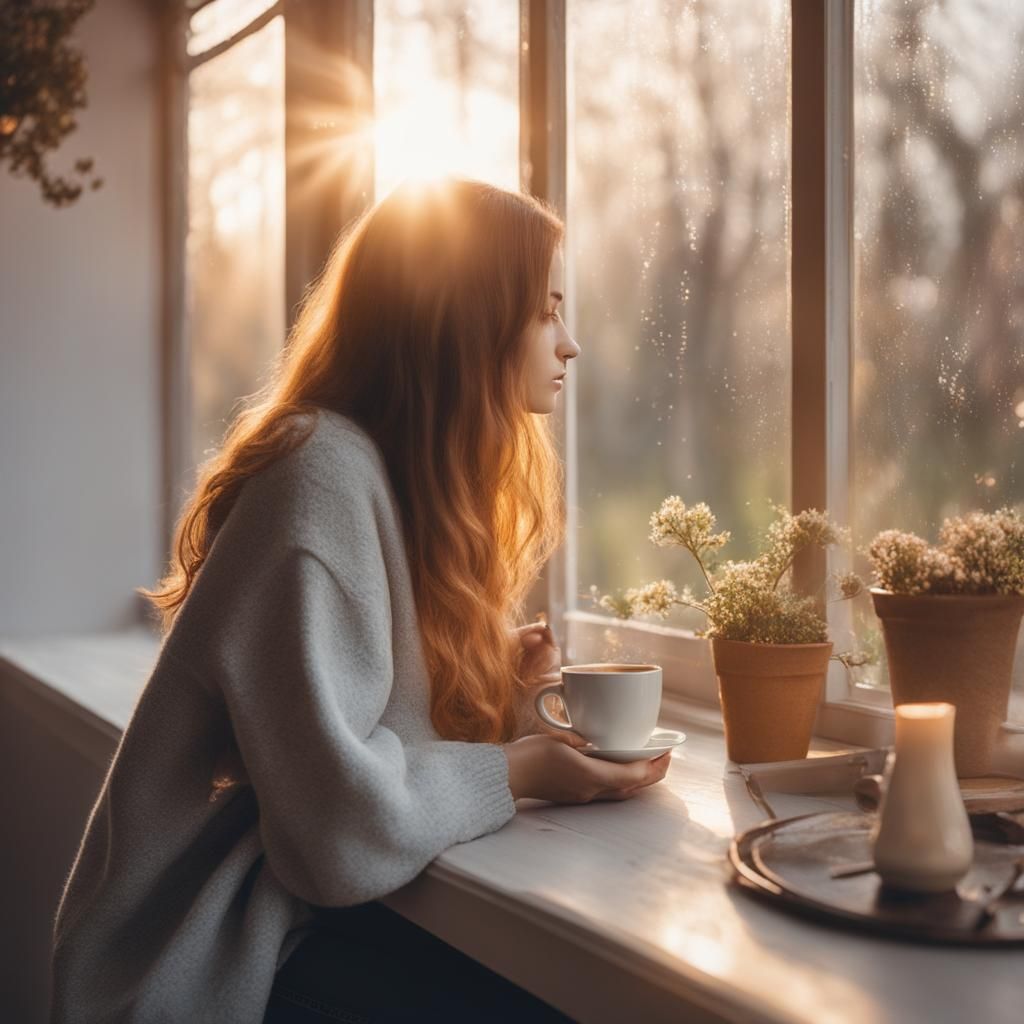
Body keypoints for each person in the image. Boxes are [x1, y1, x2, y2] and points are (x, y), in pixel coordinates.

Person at [49, 178, 672, 1024]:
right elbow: (334, 837)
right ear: (463, 320)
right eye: (547, 309)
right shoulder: (315, 480)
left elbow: (366, 741)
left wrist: (508, 707)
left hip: (288, 922)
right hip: (206, 962)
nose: (569, 345)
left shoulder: (393, 477)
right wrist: (520, 769)